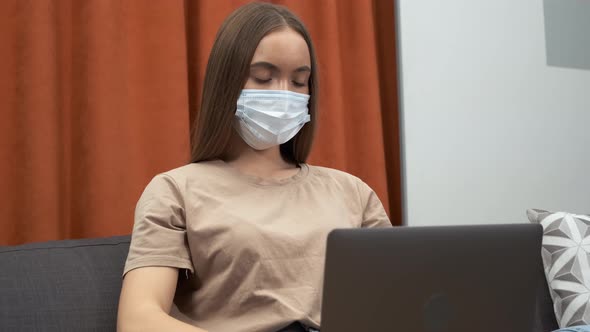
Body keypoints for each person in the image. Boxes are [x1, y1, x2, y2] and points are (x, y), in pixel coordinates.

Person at [117, 3, 391, 332]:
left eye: (299, 81)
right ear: (226, 83)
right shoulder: (176, 191)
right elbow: (138, 319)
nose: (284, 94)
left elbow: (398, 300)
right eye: (264, 77)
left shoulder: (353, 193)